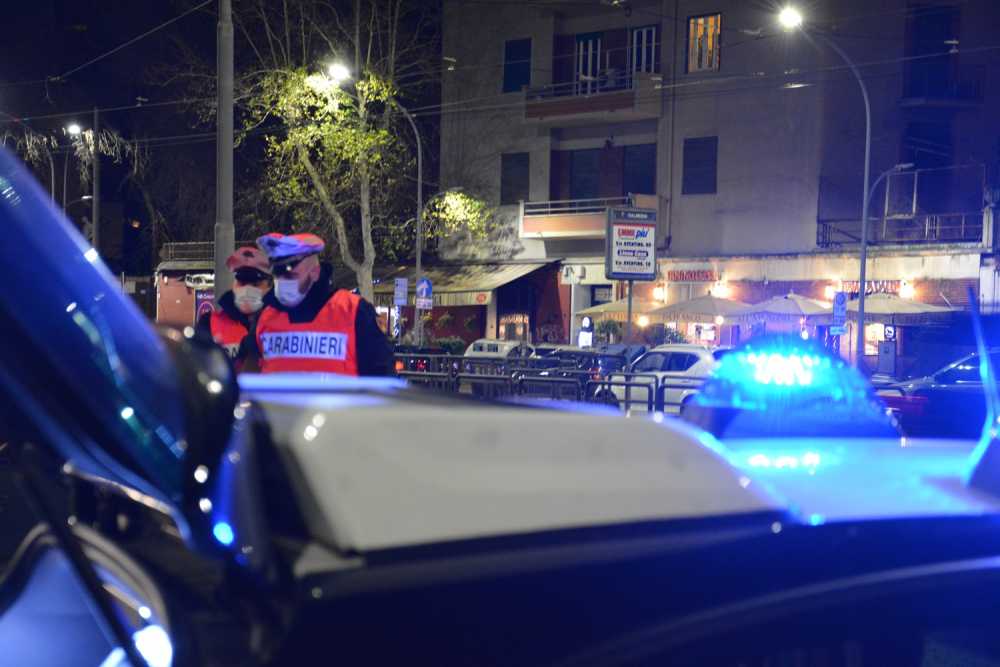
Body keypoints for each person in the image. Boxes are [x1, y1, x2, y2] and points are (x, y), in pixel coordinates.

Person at [252, 232, 392, 376]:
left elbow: (382, 379)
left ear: (315, 272)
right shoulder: (265, 317)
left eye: (290, 276)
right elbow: (247, 373)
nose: (282, 283)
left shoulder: (355, 312)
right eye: (277, 276)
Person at [196, 246, 272, 372]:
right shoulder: (208, 323)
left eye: (255, 284)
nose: (247, 290)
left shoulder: (281, 323)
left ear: (269, 286)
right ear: (234, 284)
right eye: (242, 283)